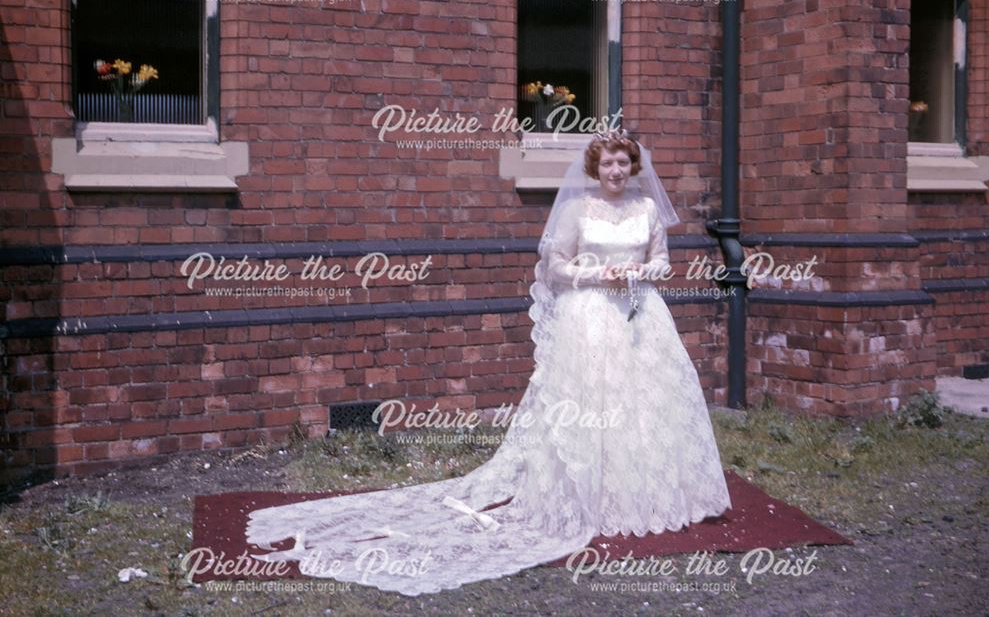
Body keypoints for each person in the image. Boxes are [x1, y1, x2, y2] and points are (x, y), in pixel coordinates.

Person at [244, 129, 732, 595]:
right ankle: (590, 495)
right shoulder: (579, 209)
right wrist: (598, 273)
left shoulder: (646, 208)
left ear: (633, 167)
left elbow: (663, 261)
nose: (616, 170)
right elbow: (556, 263)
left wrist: (639, 271)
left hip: (639, 315)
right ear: (595, 167)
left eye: (624, 162)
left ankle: (647, 494)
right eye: (608, 162)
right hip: (590, 318)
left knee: (647, 404)